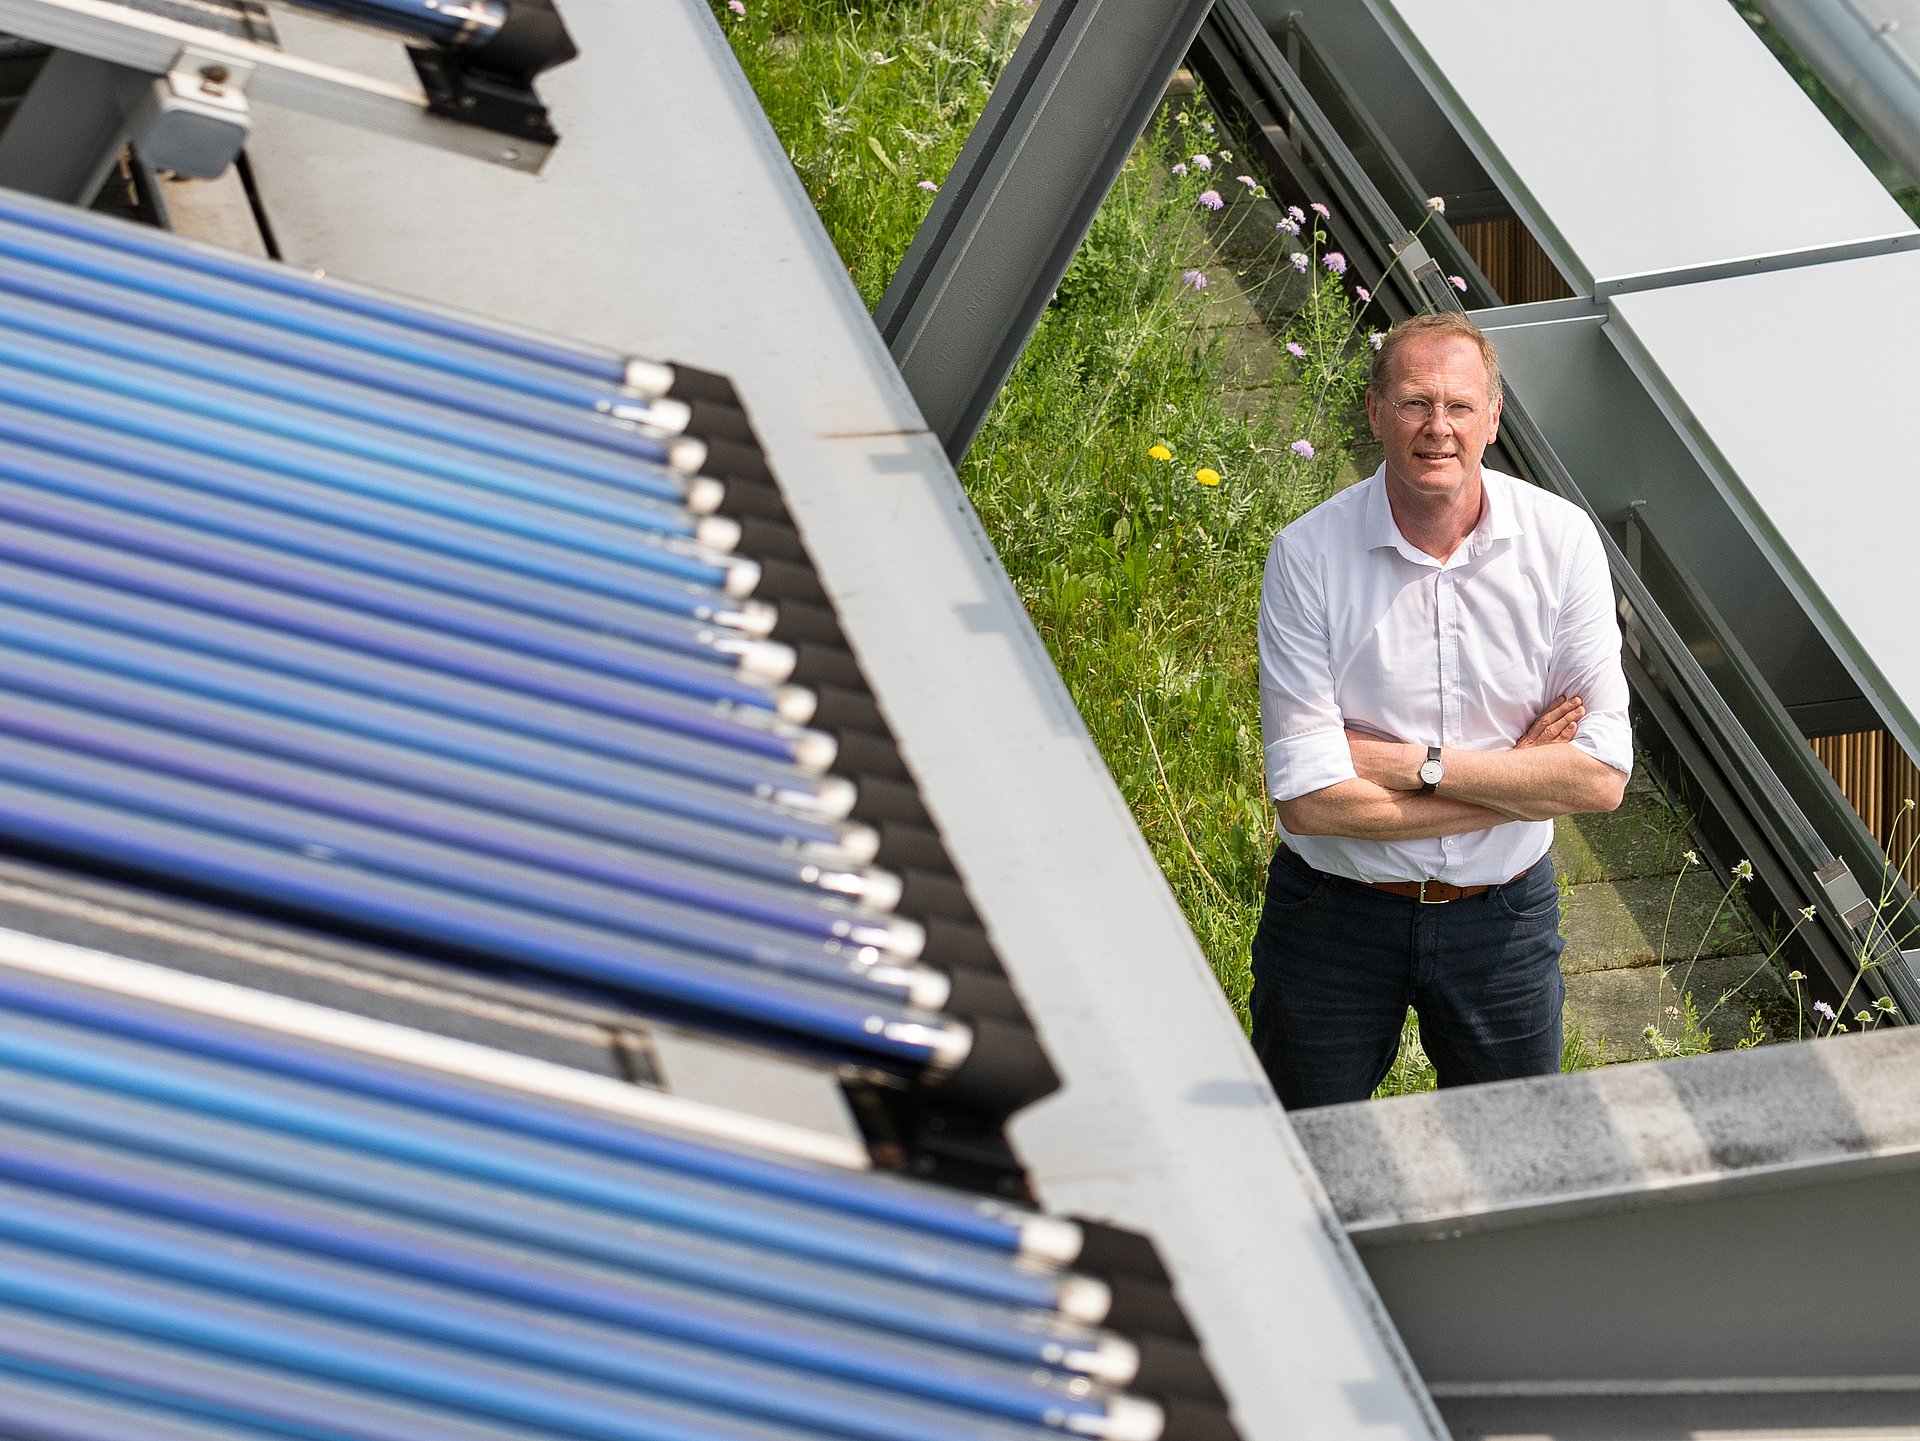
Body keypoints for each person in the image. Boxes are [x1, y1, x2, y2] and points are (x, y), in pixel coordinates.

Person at [1249, 311, 1630, 1109]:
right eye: (1417, 402)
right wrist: (1517, 780)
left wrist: (1397, 763)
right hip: (1333, 918)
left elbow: (1597, 778)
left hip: (1505, 918)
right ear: (1374, 412)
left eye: (1460, 406)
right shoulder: (1307, 556)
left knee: (1515, 1161)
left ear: (1493, 417)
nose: (1438, 428)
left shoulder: (1562, 544)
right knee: (1308, 1156)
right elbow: (1310, 799)